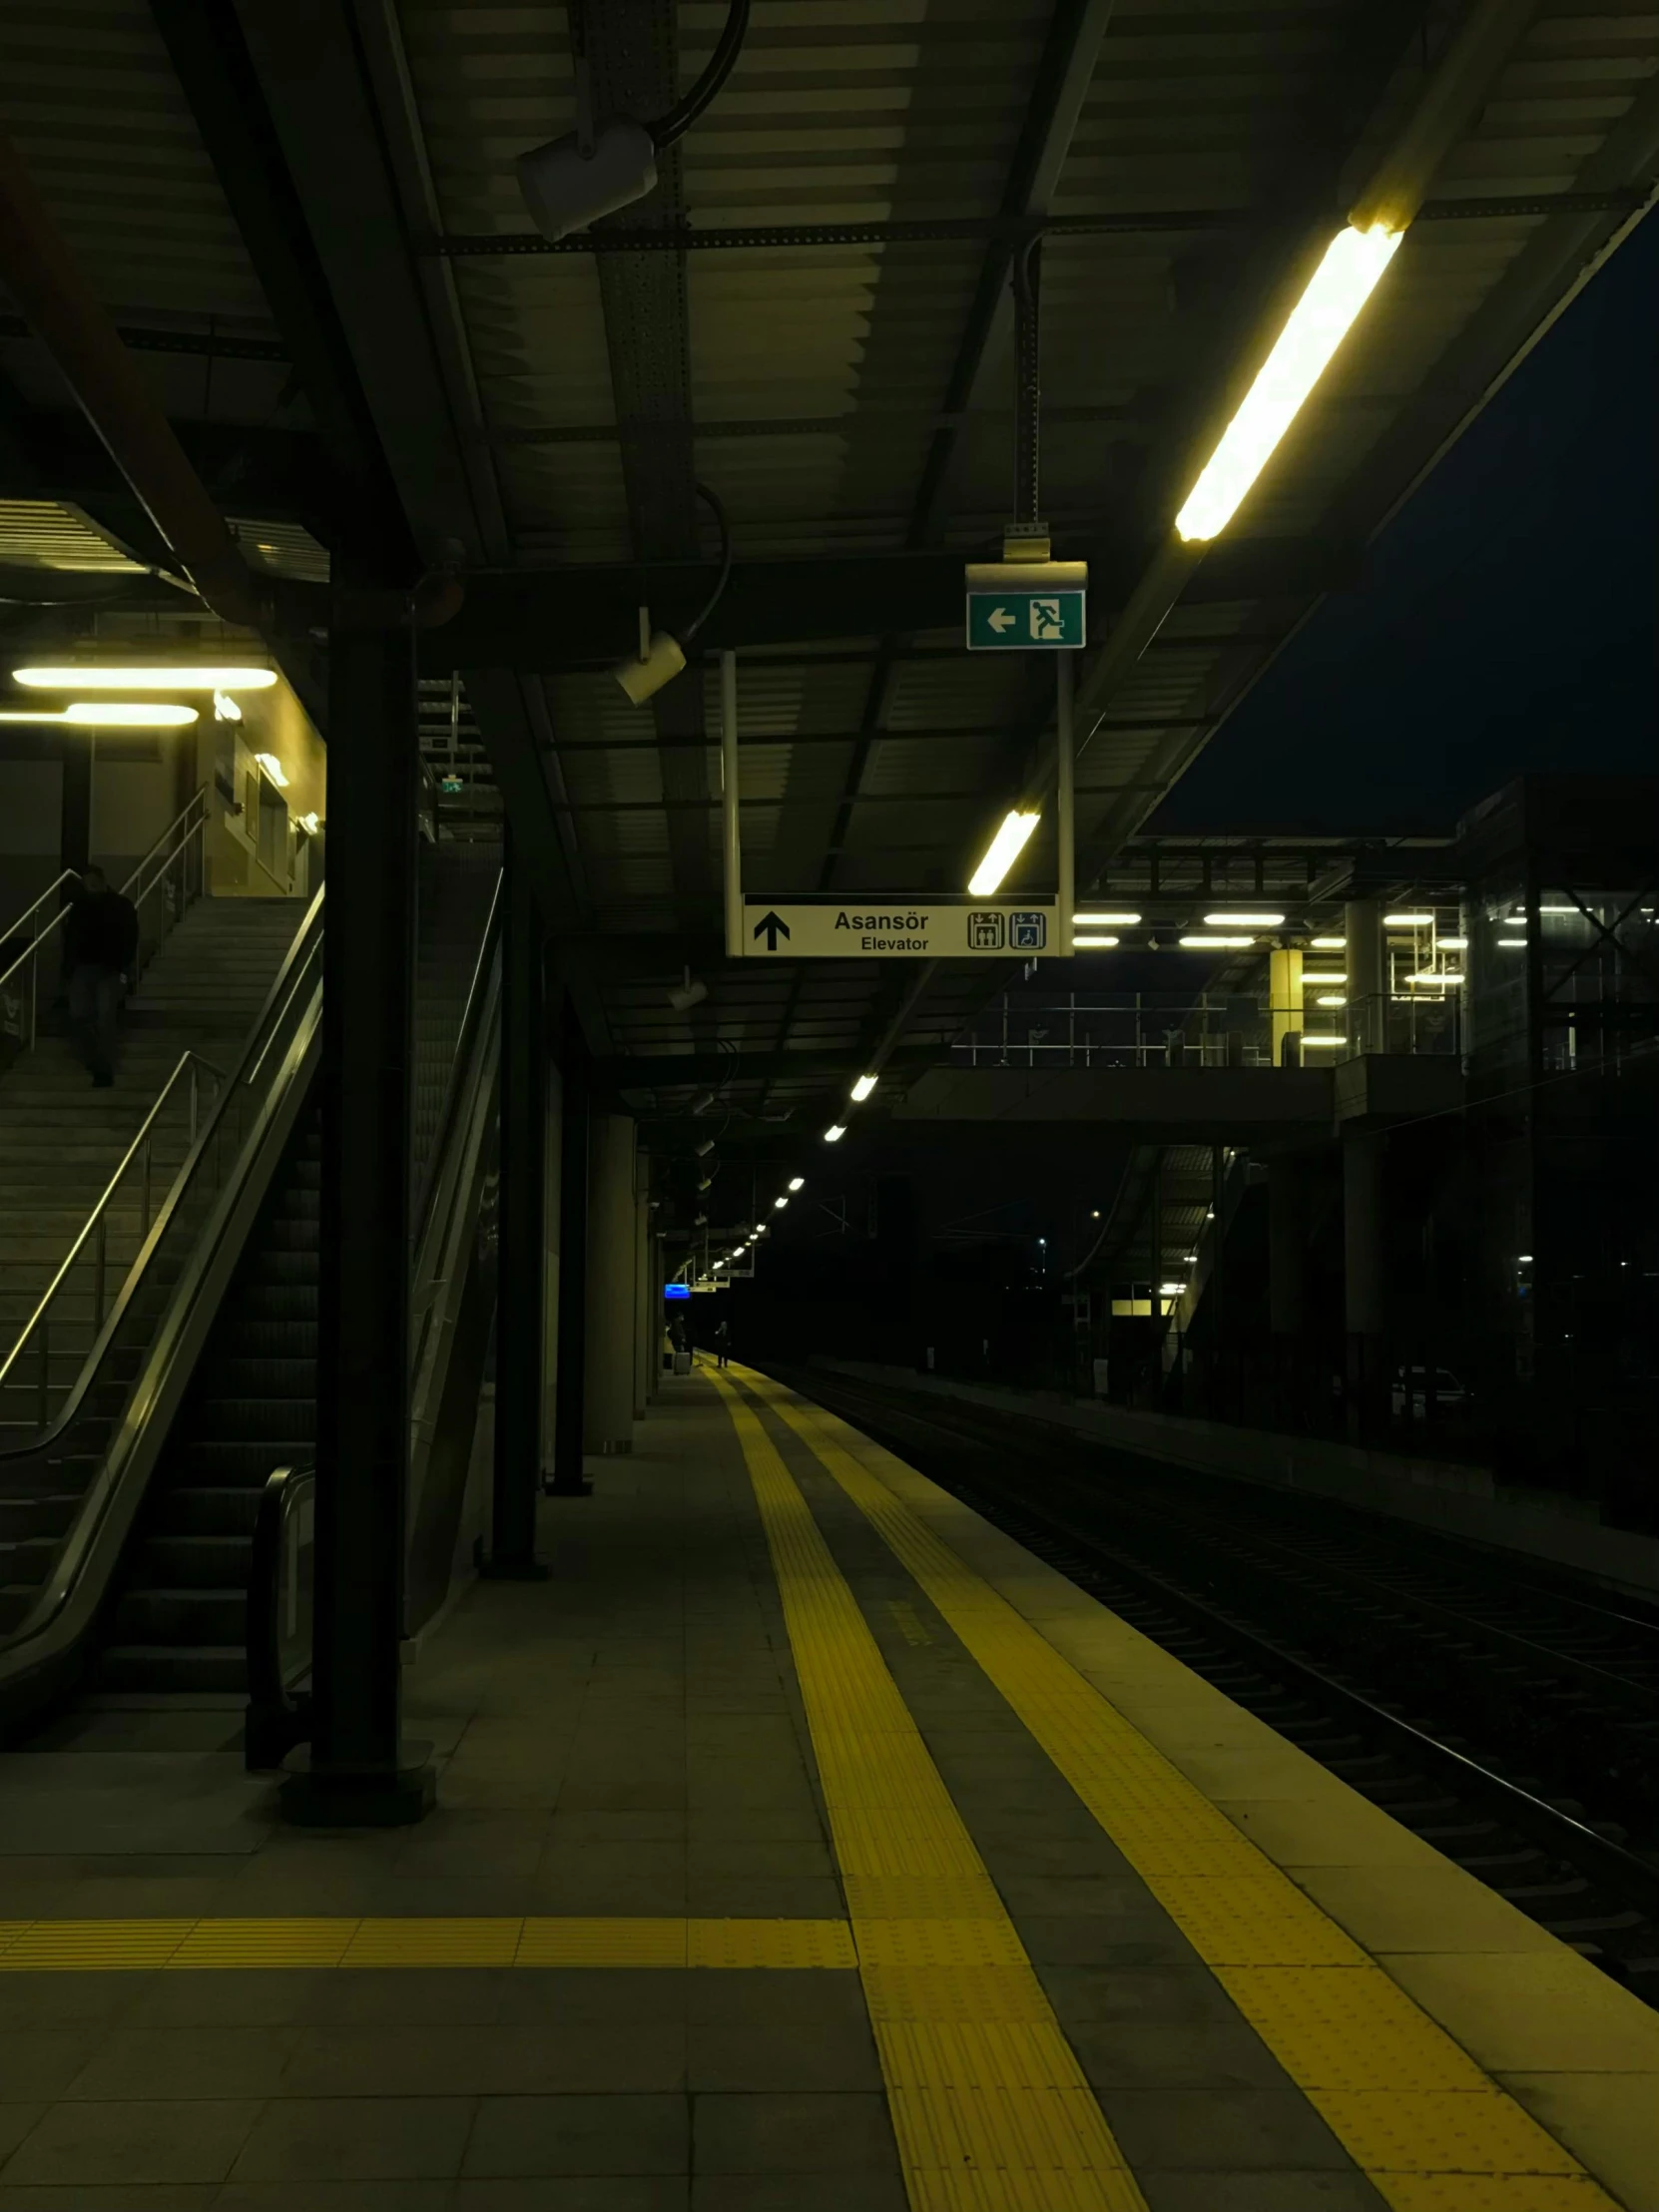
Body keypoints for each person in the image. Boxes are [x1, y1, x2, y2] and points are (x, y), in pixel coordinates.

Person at [63, 866, 138, 1088]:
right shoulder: (80, 908)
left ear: (102, 881)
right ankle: (94, 1058)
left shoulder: (120, 906)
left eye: (94, 883)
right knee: (79, 1014)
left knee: (104, 1018)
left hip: (109, 968)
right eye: (88, 884)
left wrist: (124, 967)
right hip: (84, 968)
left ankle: (102, 1069)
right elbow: (71, 940)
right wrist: (68, 968)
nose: (92, 887)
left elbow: (130, 937)